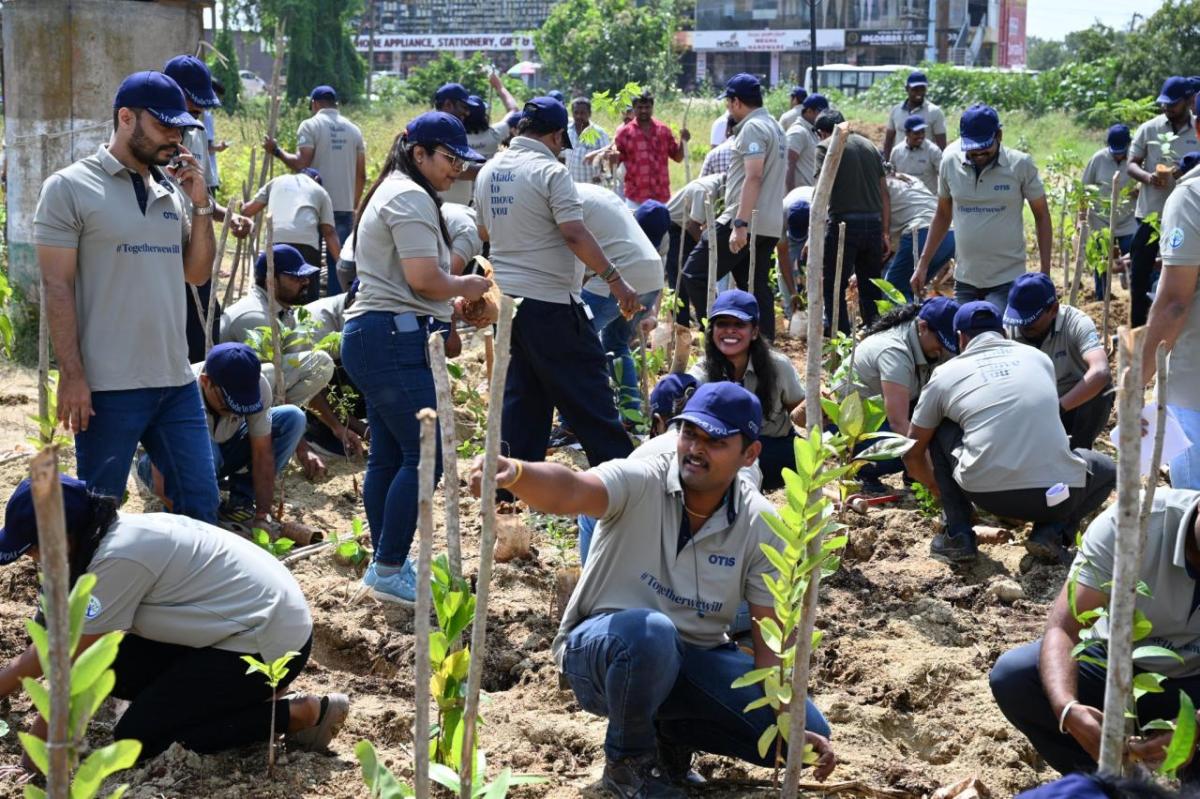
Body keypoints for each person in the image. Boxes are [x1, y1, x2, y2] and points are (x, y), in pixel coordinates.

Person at [468, 382, 836, 798]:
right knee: (651, 636)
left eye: (714, 441)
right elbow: (571, 489)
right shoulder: (643, 477)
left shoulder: (760, 525)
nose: (695, 449)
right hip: (604, 653)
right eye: (689, 434)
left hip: (691, 660)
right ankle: (628, 766)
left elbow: (769, 642)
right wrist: (516, 472)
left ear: (749, 454)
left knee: (803, 736)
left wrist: (788, 716)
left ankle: (671, 740)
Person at [0, 474, 348, 769]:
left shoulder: (117, 559)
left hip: (267, 643)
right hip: (235, 625)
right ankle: (241, 697)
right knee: (111, 670)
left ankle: (299, 713)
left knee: (137, 739)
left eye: (33, 549)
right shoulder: (106, 536)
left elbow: (72, 664)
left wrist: (34, 762)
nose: (33, 559)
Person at [35, 70, 219, 521]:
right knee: (100, 512)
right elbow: (57, 287)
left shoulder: (169, 193)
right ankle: (93, 593)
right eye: (164, 126)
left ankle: (180, 592)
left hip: (174, 381)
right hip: (107, 387)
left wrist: (200, 204)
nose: (174, 139)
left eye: (180, 129)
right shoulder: (70, 188)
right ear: (125, 118)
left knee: (201, 503)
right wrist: (73, 375)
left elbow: (196, 274)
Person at [340, 112, 493, 604]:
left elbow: (415, 286)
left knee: (389, 455)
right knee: (426, 455)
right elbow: (424, 279)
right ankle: (387, 568)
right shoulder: (407, 195)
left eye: (459, 161)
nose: (455, 170)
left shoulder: (400, 191)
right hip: (390, 338)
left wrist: (446, 302)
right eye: (449, 159)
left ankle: (388, 558)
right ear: (418, 152)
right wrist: (469, 284)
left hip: (381, 333)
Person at [475, 97, 641, 482]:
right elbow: (573, 232)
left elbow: (484, 232)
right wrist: (615, 280)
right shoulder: (550, 172)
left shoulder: (489, 171)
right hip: (550, 304)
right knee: (590, 397)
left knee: (523, 403)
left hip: (507, 306)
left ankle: (510, 492)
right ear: (555, 135)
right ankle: (629, 486)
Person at [990, 488, 1200, 779]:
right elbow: (1065, 628)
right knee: (1016, 677)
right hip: (1114, 664)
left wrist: (1194, 728)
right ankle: (1114, 784)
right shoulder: (1132, 523)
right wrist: (1068, 709)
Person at [902, 302, 1116, 565]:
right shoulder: (1040, 359)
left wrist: (938, 489)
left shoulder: (945, 373)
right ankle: (1051, 533)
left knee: (939, 425)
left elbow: (913, 451)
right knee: (1107, 470)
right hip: (1055, 494)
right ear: (1003, 331)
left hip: (984, 493)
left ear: (960, 338)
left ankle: (958, 535)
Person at [137, 343, 305, 527]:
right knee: (208, 449)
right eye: (229, 404)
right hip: (164, 465)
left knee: (292, 418)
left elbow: (262, 453)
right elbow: (161, 483)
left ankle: (241, 500)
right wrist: (211, 524)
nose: (235, 412)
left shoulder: (257, 386)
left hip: (221, 452)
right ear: (206, 381)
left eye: (242, 407)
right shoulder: (179, 394)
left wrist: (262, 515)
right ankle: (199, 506)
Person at [219, 245, 347, 479]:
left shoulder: (283, 312)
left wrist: (337, 426)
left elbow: (289, 381)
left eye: (306, 276)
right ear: (271, 279)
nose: (306, 282)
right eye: (296, 277)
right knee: (319, 362)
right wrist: (302, 449)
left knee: (315, 365)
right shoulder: (255, 316)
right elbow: (270, 388)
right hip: (227, 409)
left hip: (253, 398)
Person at [912, 104, 1053, 311]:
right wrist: (923, 265)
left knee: (992, 336)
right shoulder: (950, 163)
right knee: (961, 339)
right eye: (972, 147)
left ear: (999, 136)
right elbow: (943, 214)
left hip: (1006, 280)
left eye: (984, 146)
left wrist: (1045, 271)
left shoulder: (1020, 165)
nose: (978, 153)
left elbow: (1041, 216)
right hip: (966, 280)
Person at [682, 74, 786, 341]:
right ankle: (763, 346)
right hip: (769, 224)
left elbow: (754, 176)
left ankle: (720, 332)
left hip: (743, 220)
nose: (728, 109)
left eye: (728, 103)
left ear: (737, 101)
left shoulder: (752, 128)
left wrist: (739, 225)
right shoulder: (775, 126)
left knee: (694, 273)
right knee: (755, 286)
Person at [163, 55, 251, 364]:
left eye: (198, 111)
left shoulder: (196, 132)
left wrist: (228, 215)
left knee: (203, 331)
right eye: (190, 108)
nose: (193, 118)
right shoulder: (149, 140)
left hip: (192, 247)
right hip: (159, 250)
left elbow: (197, 194)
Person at [689, 290, 803, 491]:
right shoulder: (702, 372)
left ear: (754, 332)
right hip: (724, 454)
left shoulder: (778, 367)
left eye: (739, 325)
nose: (730, 331)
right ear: (712, 330)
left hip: (774, 451)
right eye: (722, 324)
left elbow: (800, 410)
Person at [1143, 94, 1200, 491]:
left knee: (1193, 512)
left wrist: (1137, 380)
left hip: (1194, 385)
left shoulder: (1191, 197)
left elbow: (1176, 302)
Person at [843, 297, 959, 491]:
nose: (945, 350)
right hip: (855, 427)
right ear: (922, 327)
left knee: (946, 432)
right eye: (941, 341)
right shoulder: (894, 352)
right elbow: (899, 423)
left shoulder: (930, 343)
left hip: (893, 412)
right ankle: (862, 472)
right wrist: (935, 478)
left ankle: (913, 477)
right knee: (911, 448)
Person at [264, 85, 366, 295]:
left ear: (315, 103)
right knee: (339, 265)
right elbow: (361, 174)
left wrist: (276, 151)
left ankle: (310, 311)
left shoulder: (310, 126)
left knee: (308, 264)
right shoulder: (354, 130)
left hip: (313, 206)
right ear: (335, 104)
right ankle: (338, 313)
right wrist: (353, 204)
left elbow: (302, 162)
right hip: (343, 206)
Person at [579, 191, 667, 419]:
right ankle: (631, 415)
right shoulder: (601, 199)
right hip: (652, 275)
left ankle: (573, 421)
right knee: (616, 343)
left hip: (621, 275)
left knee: (576, 341)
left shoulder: (562, 197)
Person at [1004, 274, 1112, 450]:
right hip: (1031, 410)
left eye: (1030, 320)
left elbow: (1101, 372)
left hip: (1070, 407)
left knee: (1103, 390)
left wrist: (1057, 408)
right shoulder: (1008, 329)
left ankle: (1079, 453)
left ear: (1053, 309)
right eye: (1019, 319)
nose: (1022, 326)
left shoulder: (1076, 323)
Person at [1126, 77, 1200, 326]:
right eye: (1164, 104)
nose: (1167, 108)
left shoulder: (1196, 128)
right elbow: (1131, 164)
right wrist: (1148, 177)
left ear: (1188, 101)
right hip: (1152, 214)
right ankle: (1139, 327)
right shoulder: (1150, 129)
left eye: (1173, 104)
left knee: (1182, 272)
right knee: (1140, 274)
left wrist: (1182, 170)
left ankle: (1177, 326)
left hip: (1186, 215)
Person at [813, 108, 890, 334]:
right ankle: (874, 333)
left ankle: (841, 336)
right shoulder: (869, 147)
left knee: (834, 285)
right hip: (873, 226)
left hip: (844, 226)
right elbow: (884, 192)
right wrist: (885, 231)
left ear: (823, 132)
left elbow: (820, 192)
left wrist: (814, 233)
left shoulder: (827, 147)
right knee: (871, 288)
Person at [241, 168, 341, 302]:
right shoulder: (320, 190)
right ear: (317, 179)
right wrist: (341, 263)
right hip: (306, 242)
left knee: (273, 293)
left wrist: (241, 207)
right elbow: (329, 232)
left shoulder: (276, 181)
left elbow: (248, 210)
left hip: (276, 239)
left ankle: (270, 317)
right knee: (308, 296)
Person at [441, 74, 521, 206]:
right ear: (484, 115)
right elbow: (514, 110)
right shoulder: (494, 135)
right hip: (488, 198)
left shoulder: (455, 141)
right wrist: (499, 86)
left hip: (461, 202)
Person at [665, 173, 724, 339]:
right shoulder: (704, 190)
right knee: (680, 278)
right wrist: (708, 250)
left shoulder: (719, 189)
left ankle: (707, 324)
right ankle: (680, 330)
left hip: (691, 229)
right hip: (675, 228)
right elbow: (693, 226)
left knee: (695, 275)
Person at [1082, 124, 1137, 298]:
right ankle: (1101, 298)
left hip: (1128, 220)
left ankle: (1136, 298)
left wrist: (1139, 188)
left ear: (1129, 144)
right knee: (1102, 264)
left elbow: (1146, 181)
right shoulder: (1097, 160)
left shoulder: (1136, 160)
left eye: (1122, 151)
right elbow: (1084, 190)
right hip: (1100, 221)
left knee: (1135, 258)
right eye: (1115, 151)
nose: (1118, 155)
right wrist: (1081, 218)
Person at [884, 170, 955, 301]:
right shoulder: (910, 179)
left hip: (920, 233)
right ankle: (920, 319)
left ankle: (907, 321)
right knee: (913, 287)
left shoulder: (881, 187)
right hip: (949, 234)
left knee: (893, 291)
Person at [611, 91, 690, 206]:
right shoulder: (625, 133)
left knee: (661, 224)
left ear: (652, 107)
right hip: (635, 198)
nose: (644, 111)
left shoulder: (663, 130)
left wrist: (684, 142)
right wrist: (612, 158)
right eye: (640, 107)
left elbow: (678, 157)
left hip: (661, 197)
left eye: (647, 107)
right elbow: (614, 165)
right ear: (633, 108)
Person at [882, 71, 948, 156]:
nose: (919, 93)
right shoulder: (896, 111)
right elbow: (889, 141)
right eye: (915, 89)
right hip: (900, 161)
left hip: (925, 164)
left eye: (922, 89)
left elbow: (941, 144)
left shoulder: (935, 112)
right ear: (907, 89)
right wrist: (886, 161)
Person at [784, 94, 828, 193]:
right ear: (809, 111)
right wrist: (791, 195)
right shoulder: (798, 132)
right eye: (820, 112)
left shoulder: (812, 131)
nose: (823, 116)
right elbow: (788, 165)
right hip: (799, 198)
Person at [890, 115, 942, 194]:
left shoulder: (933, 151)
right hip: (904, 199)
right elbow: (891, 176)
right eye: (916, 133)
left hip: (928, 200)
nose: (921, 136)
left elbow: (944, 175)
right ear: (907, 133)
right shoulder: (896, 151)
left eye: (923, 132)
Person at [567, 96, 611, 185]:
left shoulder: (599, 133)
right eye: (576, 113)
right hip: (572, 185)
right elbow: (562, 156)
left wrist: (602, 176)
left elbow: (608, 155)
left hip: (593, 185)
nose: (579, 116)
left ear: (590, 114)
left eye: (583, 113)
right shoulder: (567, 131)